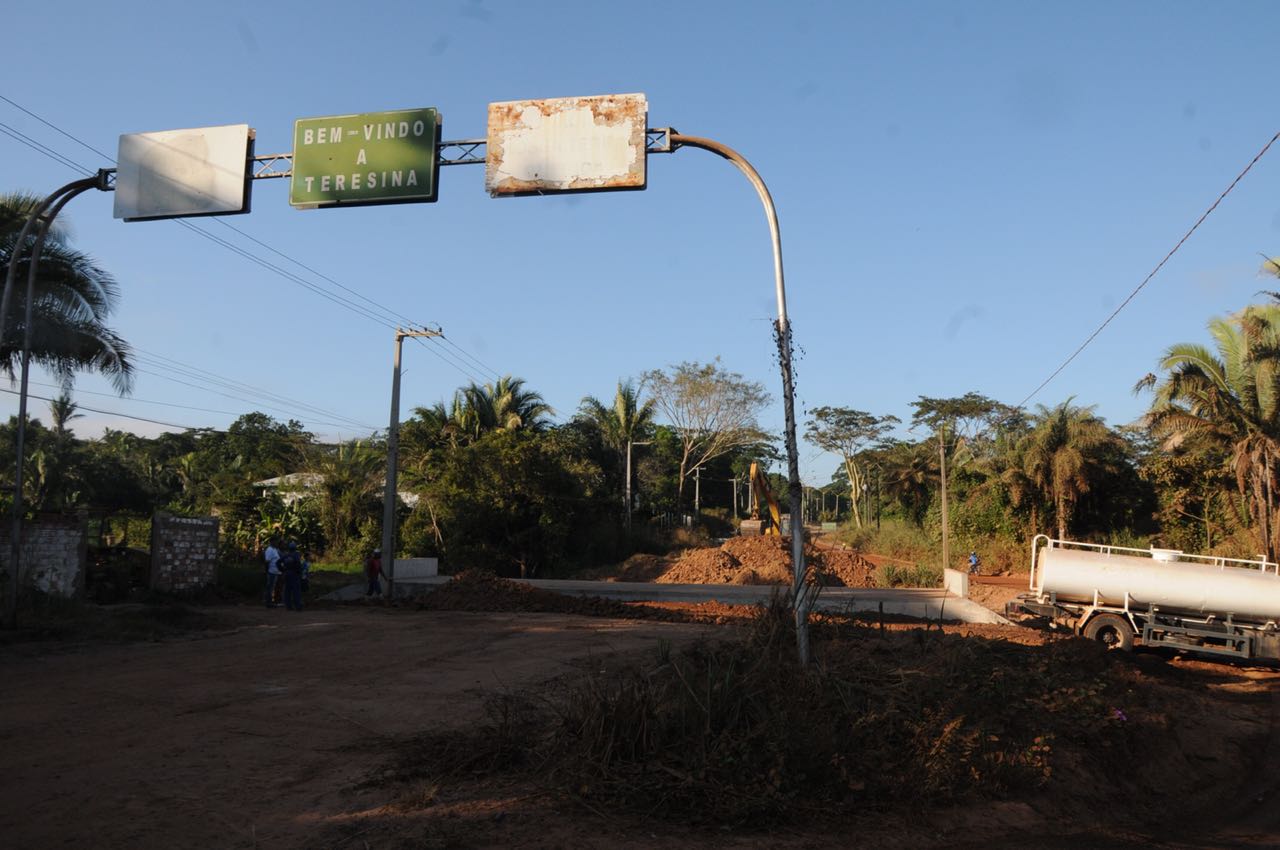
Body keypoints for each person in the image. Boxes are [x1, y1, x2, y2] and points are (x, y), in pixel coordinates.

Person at [280, 542, 305, 611]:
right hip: (294, 574)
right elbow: (298, 564)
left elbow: (278, 562)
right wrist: (300, 572)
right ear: (295, 548)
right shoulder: (296, 555)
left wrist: (282, 570)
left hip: (287, 574)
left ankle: (288, 606)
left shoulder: (286, 555)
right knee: (296, 590)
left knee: (287, 590)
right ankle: (298, 606)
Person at [263, 537, 282, 607]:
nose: (277, 543)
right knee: (270, 587)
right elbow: (267, 561)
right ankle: (268, 602)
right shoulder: (269, 550)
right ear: (272, 542)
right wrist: (267, 571)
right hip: (271, 572)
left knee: (272, 587)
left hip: (275, 572)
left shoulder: (274, 550)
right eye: (276, 541)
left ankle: (270, 601)